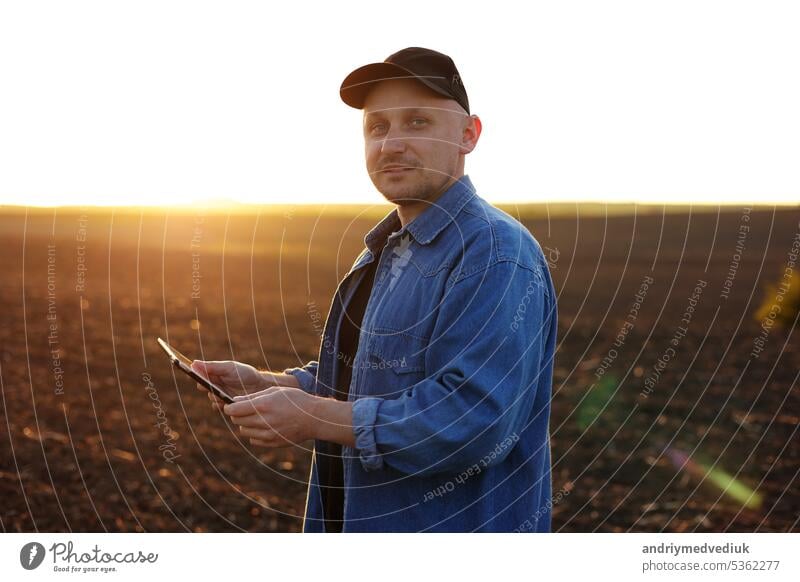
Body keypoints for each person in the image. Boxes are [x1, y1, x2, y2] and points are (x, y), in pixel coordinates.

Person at [191, 47, 558, 532]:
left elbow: (471, 422)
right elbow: (377, 376)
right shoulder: (388, 247)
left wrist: (312, 414)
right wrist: (279, 384)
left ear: (469, 134)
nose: (390, 144)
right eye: (377, 127)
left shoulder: (494, 254)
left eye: (418, 123)